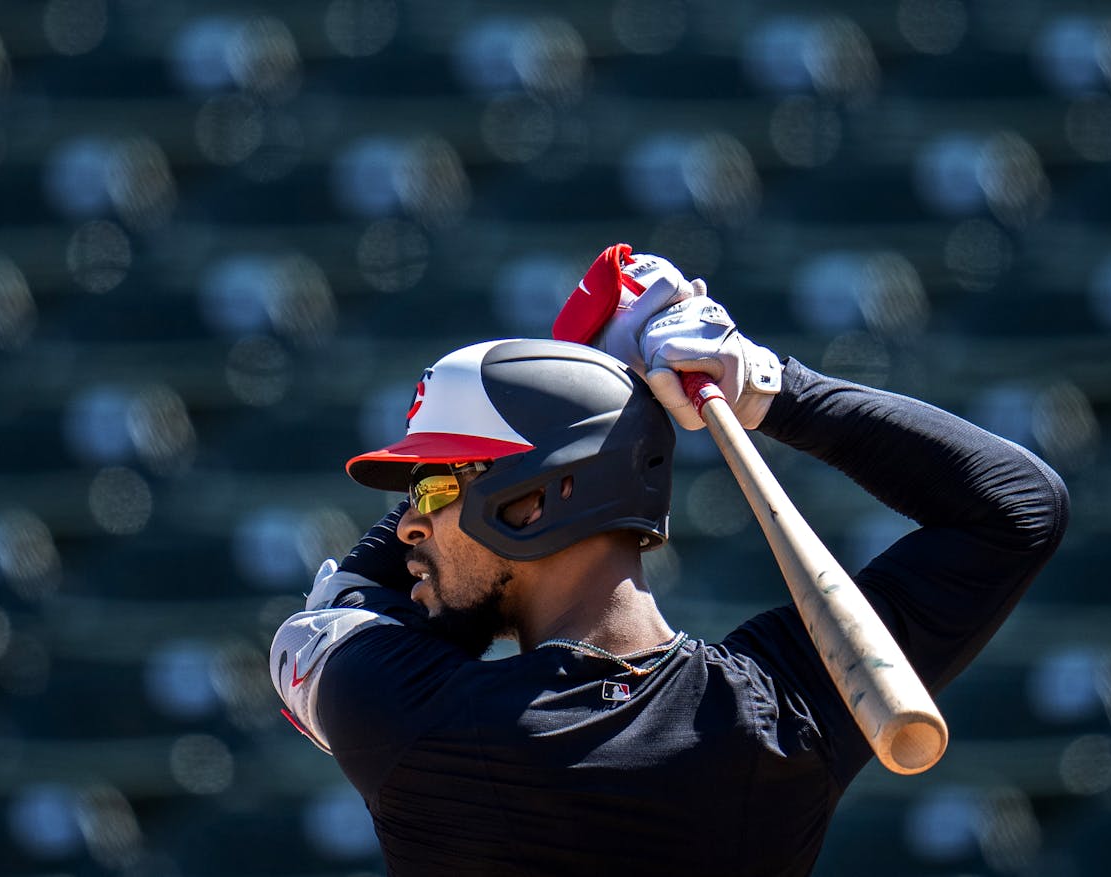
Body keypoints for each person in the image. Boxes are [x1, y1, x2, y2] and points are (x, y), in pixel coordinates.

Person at [269, 249, 1069, 876]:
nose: (409, 526)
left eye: (435, 486)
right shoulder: (773, 716)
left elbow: (331, 613)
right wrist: (765, 384)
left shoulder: (409, 715)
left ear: (532, 502)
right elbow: (1016, 506)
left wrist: (571, 367)